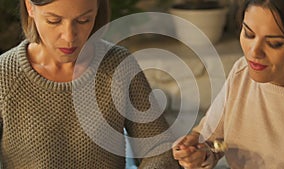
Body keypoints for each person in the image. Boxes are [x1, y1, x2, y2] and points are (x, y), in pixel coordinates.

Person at [0, 0, 181, 168]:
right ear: (30, 7)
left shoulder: (118, 66)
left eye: (84, 20)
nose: (69, 36)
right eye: (54, 21)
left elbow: (159, 150)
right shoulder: (4, 76)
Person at [172, 0, 284, 168]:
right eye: (248, 34)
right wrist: (197, 152)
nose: (254, 52)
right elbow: (212, 141)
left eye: (274, 44)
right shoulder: (242, 72)